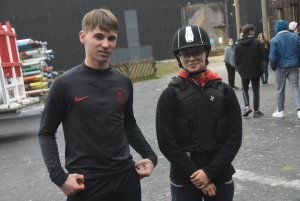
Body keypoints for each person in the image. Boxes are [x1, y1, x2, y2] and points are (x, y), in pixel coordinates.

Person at [38, 8, 157, 201]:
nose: (105, 44)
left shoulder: (123, 81)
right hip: (87, 185)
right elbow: (46, 132)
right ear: (83, 36)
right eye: (99, 36)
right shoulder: (64, 84)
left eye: (111, 38)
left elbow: (129, 125)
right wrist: (59, 177)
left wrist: (151, 156)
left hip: (127, 180)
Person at [156, 25, 242, 201]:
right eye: (185, 54)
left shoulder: (226, 92)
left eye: (197, 52)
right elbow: (167, 143)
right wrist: (198, 176)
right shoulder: (169, 95)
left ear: (206, 53)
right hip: (185, 175)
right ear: (179, 57)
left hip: (219, 172)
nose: (192, 58)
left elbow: (234, 137)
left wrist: (210, 173)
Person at [269, 20, 300, 119]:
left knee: (280, 89)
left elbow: (272, 57)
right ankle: (299, 111)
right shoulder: (295, 37)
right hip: (294, 65)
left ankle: (280, 110)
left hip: (280, 67)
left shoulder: (274, 40)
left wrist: (273, 67)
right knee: (295, 87)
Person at [235, 24, 267, 118]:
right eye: (253, 30)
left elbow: (236, 60)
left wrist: (240, 69)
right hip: (255, 69)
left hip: (244, 70)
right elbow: (263, 56)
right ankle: (256, 111)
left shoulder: (238, 44)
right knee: (256, 90)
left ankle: (246, 106)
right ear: (250, 31)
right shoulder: (256, 42)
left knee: (244, 88)